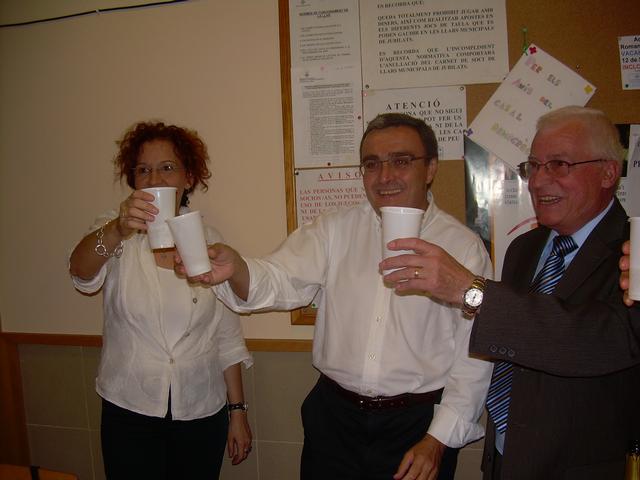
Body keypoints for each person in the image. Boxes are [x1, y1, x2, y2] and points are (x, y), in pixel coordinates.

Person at [182, 113, 493, 480]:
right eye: (371, 164)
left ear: (430, 169)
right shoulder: (334, 230)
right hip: (334, 419)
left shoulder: (463, 248)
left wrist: (438, 439)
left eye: (401, 161)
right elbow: (279, 278)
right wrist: (236, 268)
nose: (384, 176)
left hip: (416, 424)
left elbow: (474, 358)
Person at [381, 106, 640, 479]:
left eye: (559, 165)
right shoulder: (524, 248)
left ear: (608, 172)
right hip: (506, 459)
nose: (538, 181)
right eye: (533, 166)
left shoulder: (632, 253)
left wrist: (470, 290)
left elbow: (592, 339)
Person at [68, 121, 252, 479]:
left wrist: (238, 412)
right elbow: (80, 273)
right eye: (143, 170)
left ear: (188, 177)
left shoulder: (209, 239)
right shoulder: (115, 231)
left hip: (201, 410)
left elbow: (226, 335)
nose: (154, 179)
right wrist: (118, 228)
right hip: (129, 409)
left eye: (167, 167)